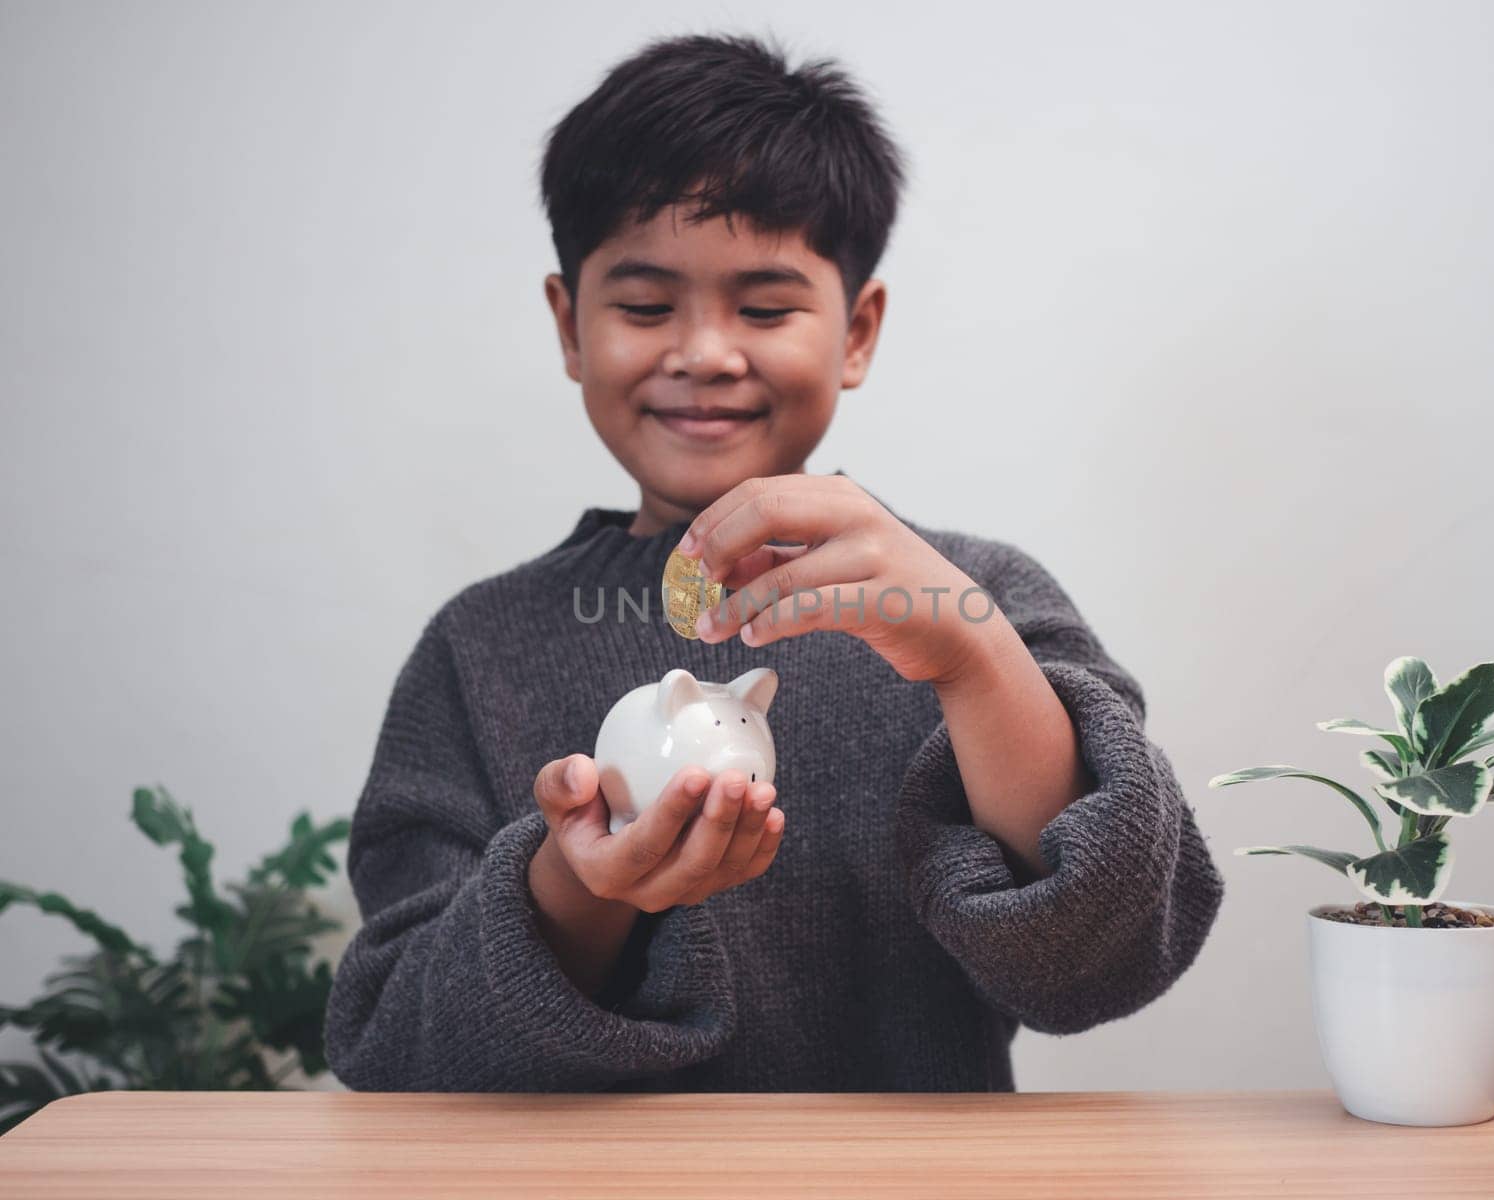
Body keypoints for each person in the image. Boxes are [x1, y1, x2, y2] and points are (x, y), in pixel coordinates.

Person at [323, 31, 1225, 1093]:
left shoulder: (978, 598)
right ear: (570, 327)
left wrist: (971, 659)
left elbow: (1105, 965)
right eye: (647, 305)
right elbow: (395, 1046)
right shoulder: (480, 648)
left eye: (764, 306)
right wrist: (580, 884)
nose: (705, 352)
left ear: (857, 330)